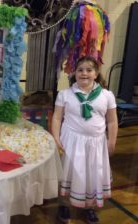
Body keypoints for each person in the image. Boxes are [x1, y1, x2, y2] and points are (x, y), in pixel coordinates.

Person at [52, 56, 118, 224]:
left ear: (96, 74)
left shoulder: (106, 95)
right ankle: (64, 205)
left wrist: (111, 141)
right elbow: (57, 118)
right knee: (68, 174)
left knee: (92, 175)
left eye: (89, 70)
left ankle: (89, 207)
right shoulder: (65, 94)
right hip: (71, 142)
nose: (84, 73)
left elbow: (112, 121)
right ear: (75, 73)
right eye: (80, 70)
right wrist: (56, 137)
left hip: (96, 144)